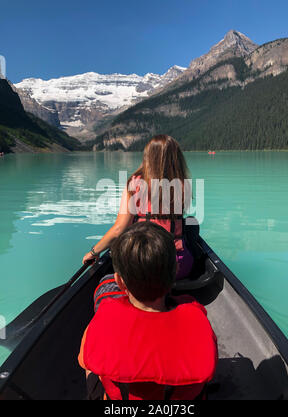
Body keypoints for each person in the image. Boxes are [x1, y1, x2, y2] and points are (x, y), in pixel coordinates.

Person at [78, 222, 218, 401]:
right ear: (175, 271)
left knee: (89, 364)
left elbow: (83, 359)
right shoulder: (196, 317)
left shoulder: (104, 317)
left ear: (120, 282)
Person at [83, 134, 195, 280]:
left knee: (106, 281)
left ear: (148, 157)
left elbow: (118, 230)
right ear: (176, 158)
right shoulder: (182, 184)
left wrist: (93, 252)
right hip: (178, 266)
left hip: (145, 266)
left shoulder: (134, 183)